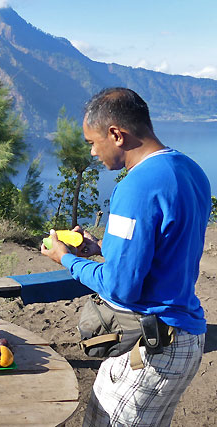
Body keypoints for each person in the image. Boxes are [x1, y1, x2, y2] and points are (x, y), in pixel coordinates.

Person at [41, 87, 211, 426]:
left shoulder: (135, 186)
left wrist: (66, 259)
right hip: (187, 337)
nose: (92, 152)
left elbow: (121, 288)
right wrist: (105, 250)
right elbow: (167, 247)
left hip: (152, 349)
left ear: (116, 135)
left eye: (92, 142)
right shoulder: (189, 169)